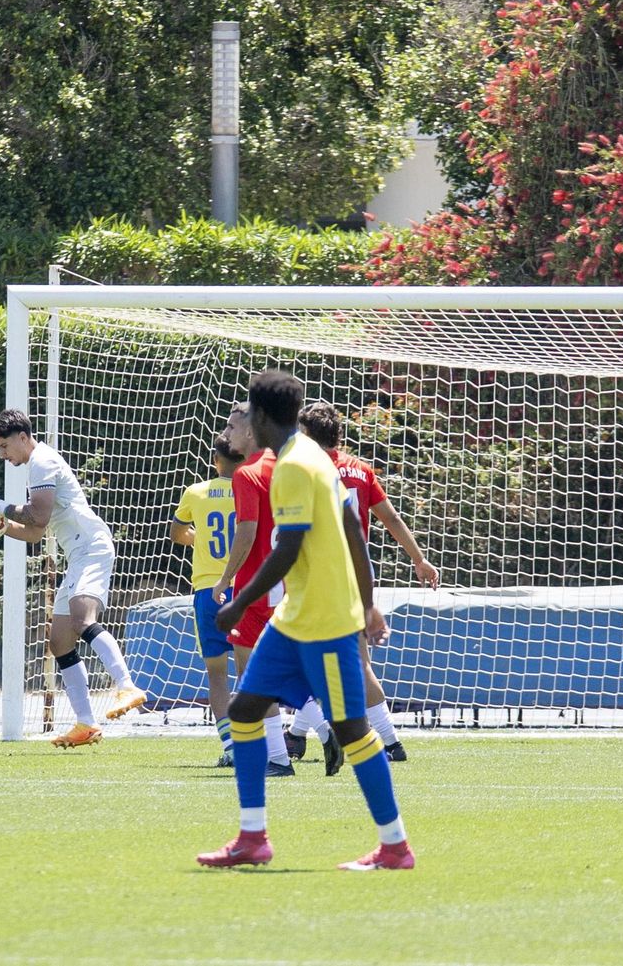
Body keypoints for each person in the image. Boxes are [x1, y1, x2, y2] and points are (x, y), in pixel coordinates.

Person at [197, 370, 413, 871]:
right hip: (294, 616)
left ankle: (395, 846)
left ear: (263, 416)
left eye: (247, 412)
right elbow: (354, 525)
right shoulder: (315, 455)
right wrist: (371, 599)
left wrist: (237, 600)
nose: (242, 421)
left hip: (323, 618)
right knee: (246, 709)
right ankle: (252, 838)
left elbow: (289, 548)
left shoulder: (294, 466)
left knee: (351, 725)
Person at [0, 409, 146, 748]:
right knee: (60, 642)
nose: (2, 455)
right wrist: (3, 529)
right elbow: (36, 532)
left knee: (83, 619)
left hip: (91, 546)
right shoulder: (34, 465)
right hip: (78, 552)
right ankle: (85, 723)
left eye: (5, 447)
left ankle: (127, 686)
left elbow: (37, 514)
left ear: (23, 438)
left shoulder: (42, 461)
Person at [285, 401, 440, 764]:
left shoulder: (305, 472)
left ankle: (388, 741)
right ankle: (297, 735)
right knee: (331, 662)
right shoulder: (359, 470)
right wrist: (418, 558)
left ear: (307, 435)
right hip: (355, 575)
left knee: (345, 662)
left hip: (322, 578)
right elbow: (391, 518)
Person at [209, 403, 319, 777]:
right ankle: (322, 729)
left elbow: (248, 531)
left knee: (252, 673)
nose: (226, 435)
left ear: (252, 432)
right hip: (294, 586)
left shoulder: (248, 474)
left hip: (258, 589)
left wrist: (226, 580)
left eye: (232, 427)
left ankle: (279, 757)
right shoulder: (293, 466)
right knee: (290, 670)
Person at [169, 432, 246, 766]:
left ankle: (230, 746)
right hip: (245, 589)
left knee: (217, 674)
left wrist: (198, 539)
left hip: (207, 592)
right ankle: (258, 738)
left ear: (215, 461)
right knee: (250, 670)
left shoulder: (196, 492)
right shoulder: (252, 489)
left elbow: (176, 533)